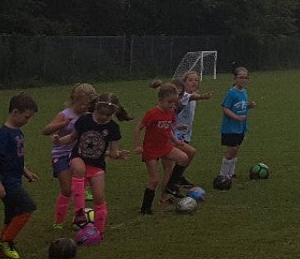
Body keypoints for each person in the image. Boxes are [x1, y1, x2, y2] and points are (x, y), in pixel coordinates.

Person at [67, 92, 130, 238]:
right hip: (79, 158)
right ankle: (79, 212)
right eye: (101, 113)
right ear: (96, 107)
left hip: (97, 165)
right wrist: (59, 141)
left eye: (108, 115)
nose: (104, 117)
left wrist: (118, 154)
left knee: (99, 198)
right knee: (79, 169)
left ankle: (99, 232)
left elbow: (113, 152)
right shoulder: (84, 120)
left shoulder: (113, 127)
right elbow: (72, 137)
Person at [0, 93, 41, 259]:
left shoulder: (18, 132)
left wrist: (26, 172)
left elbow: (15, 157)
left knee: (11, 215)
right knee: (28, 206)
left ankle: (1, 252)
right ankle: (6, 241)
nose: (28, 121)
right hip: (7, 181)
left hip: (15, 179)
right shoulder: (4, 133)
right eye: (26, 117)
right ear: (15, 112)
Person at [43, 83, 96, 229]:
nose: (85, 108)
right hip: (60, 155)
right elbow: (46, 130)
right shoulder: (65, 114)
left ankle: (79, 217)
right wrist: (62, 125)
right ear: (74, 100)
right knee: (67, 189)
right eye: (82, 104)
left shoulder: (88, 116)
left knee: (78, 188)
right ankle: (59, 221)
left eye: (88, 105)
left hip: (78, 155)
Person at [136, 81, 187, 214]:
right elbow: (138, 128)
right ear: (160, 100)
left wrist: (176, 141)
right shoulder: (152, 113)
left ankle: (170, 185)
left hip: (164, 146)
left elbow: (167, 129)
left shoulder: (170, 112)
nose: (172, 105)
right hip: (151, 149)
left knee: (184, 158)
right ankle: (145, 208)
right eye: (169, 102)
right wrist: (138, 145)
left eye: (174, 102)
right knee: (154, 180)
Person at [160, 70, 211, 201]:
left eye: (196, 80)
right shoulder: (184, 97)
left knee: (181, 160)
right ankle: (169, 189)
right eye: (190, 80)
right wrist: (202, 97)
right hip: (173, 135)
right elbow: (191, 97)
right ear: (184, 83)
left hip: (183, 133)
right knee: (178, 161)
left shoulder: (188, 96)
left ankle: (175, 182)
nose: (194, 82)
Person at [215, 66, 255, 189]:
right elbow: (225, 108)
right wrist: (236, 117)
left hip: (241, 127)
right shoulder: (231, 93)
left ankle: (230, 173)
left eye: (246, 78)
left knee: (236, 150)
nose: (244, 80)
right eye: (241, 77)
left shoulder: (244, 92)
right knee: (231, 150)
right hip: (230, 128)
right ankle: (222, 175)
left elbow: (240, 106)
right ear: (235, 78)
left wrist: (248, 106)